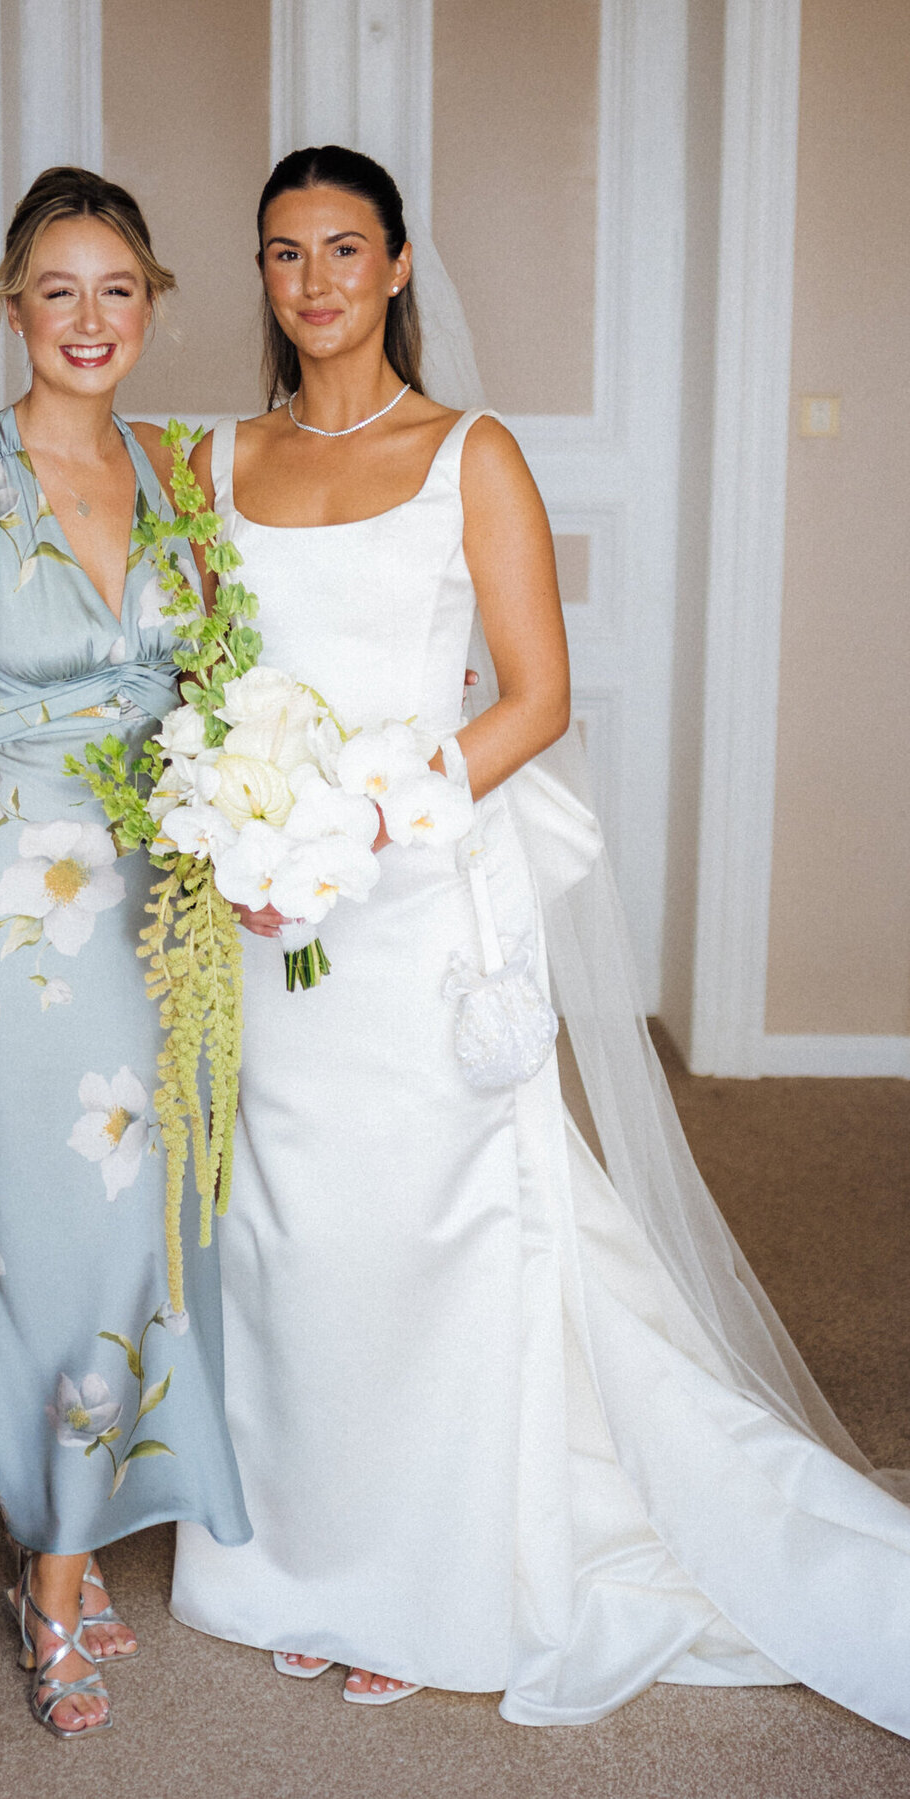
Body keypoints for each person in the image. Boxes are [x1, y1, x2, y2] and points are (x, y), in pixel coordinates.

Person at [169, 145, 910, 1733]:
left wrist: (353, 830)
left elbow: (537, 699)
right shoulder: (217, 462)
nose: (314, 282)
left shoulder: (470, 455)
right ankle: (297, 1557)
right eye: (285, 252)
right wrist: (240, 832)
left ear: (399, 264)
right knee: (288, 1231)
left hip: (410, 902)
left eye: (345, 249)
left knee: (426, 1227)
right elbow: (200, 682)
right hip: (265, 910)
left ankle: (430, 1576)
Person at [0, 166, 248, 1739]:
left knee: (151, 1223)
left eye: (117, 290)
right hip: (19, 917)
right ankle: (54, 1576)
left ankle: (77, 1525)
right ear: (11, 306)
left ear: (152, 302)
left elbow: (222, 687)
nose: (88, 320)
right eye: (56, 291)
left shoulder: (181, 472)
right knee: (47, 1229)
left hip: (161, 903)